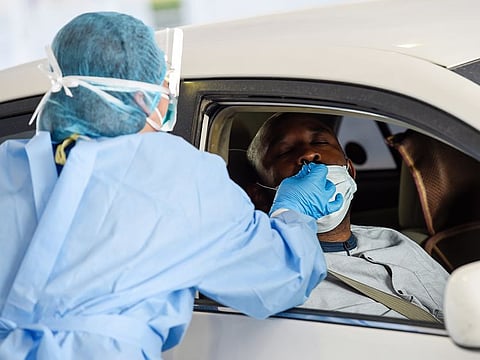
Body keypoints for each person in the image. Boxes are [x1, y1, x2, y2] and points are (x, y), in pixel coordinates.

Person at [0, 13, 346, 359]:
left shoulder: (8, 164)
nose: (166, 97)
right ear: (139, 99)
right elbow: (282, 278)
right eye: (160, 86)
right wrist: (294, 210)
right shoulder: (176, 175)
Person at [246, 112, 449, 321]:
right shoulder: (265, 276)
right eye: (285, 151)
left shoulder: (393, 240)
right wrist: (289, 216)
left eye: (320, 141)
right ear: (259, 196)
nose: (308, 154)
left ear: (350, 171)